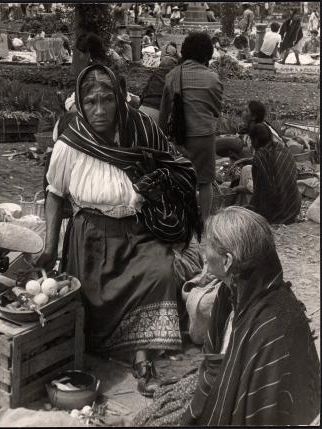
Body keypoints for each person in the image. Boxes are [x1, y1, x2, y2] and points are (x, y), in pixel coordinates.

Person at [36, 64, 203, 398]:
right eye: (92, 102)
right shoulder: (72, 142)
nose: (99, 110)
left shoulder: (140, 130)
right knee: (88, 297)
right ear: (81, 104)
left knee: (161, 274)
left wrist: (160, 194)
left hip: (138, 231)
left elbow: (176, 169)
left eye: (107, 100)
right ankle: (107, 344)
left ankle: (143, 360)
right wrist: (50, 245)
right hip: (91, 236)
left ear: (119, 100)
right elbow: (55, 193)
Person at [134, 207, 320, 426]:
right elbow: (216, 364)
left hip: (245, 408)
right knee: (158, 408)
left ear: (227, 261)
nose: (203, 254)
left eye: (209, 246)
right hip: (225, 382)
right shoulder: (234, 291)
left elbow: (263, 408)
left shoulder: (270, 326)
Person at [159, 32, 223, 221]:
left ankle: (181, 219)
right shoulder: (213, 78)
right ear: (207, 54)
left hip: (179, 139)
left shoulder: (172, 75)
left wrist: (163, 137)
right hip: (204, 137)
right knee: (205, 182)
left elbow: (164, 111)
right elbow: (216, 110)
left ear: (185, 51)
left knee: (179, 179)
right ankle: (203, 222)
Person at [246, 123, 301, 224]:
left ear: (254, 140)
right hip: (294, 206)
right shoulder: (283, 149)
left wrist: (250, 209)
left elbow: (259, 191)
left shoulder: (259, 157)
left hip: (278, 212)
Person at [215, 100, 284, 161]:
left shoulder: (262, 131)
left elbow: (262, 156)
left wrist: (239, 157)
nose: (243, 112)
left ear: (253, 117)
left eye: (246, 111)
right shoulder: (248, 129)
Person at [139, 41, 179, 123]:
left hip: (142, 110)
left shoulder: (155, 74)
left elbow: (143, 94)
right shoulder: (175, 77)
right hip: (159, 113)